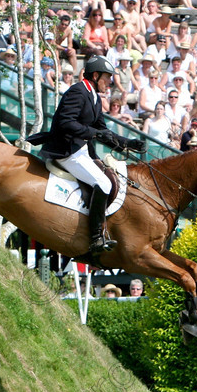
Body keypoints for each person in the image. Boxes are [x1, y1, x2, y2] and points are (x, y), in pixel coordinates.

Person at [27, 56, 146, 254]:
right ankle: (95, 237)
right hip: (67, 150)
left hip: (81, 150)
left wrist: (128, 143)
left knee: (110, 178)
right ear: (96, 75)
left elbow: (102, 131)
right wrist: (93, 133)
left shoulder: (95, 98)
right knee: (104, 184)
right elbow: (66, 123)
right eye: (107, 77)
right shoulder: (78, 92)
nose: (109, 82)